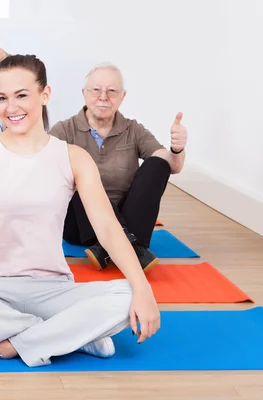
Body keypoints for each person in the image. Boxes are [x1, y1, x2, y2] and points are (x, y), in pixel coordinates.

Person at [0, 55, 160, 368]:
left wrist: (143, 289)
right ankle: (72, 335)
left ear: (44, 95)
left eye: (22, 95)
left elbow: (107, 228)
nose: (11, 107)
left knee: (129, 293)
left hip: (54, 290)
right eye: (2, 98)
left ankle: (7, 346)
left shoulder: (73, 157)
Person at [49, 62, 188, 271]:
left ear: (122, 97)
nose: (103, 97)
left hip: (130, 218)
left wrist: (177, 149)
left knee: (158, 164)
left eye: (112, 91)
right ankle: (131, 245)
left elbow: (171, 166)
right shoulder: (64, 130)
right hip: (81, 226)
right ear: (84, 94)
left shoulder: (133, 130)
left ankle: (108, 247)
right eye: (96, 90)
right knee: (77, 175)